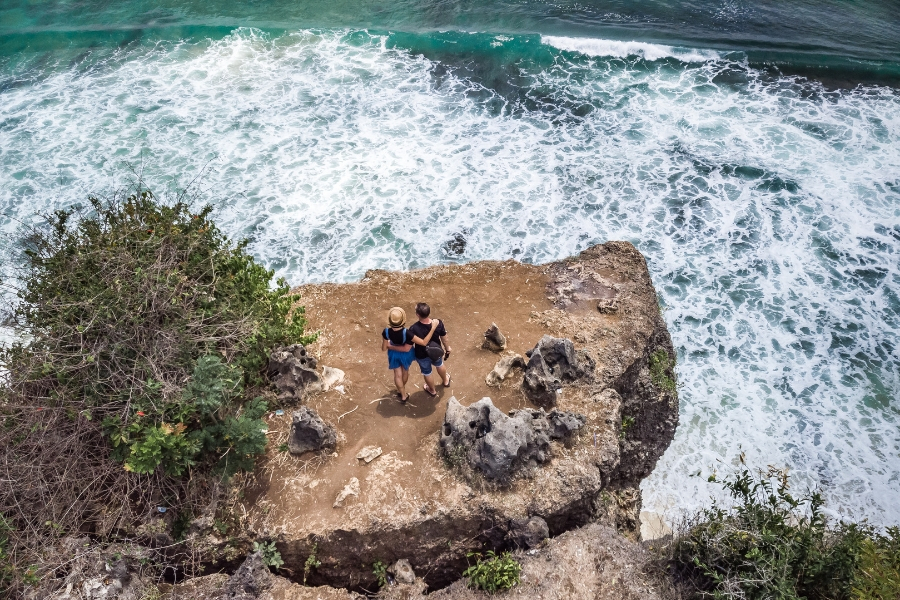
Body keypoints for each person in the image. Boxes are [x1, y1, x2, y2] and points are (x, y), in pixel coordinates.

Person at [407, 302, 451, 397]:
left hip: (422, 355)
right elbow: (444, 337)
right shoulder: (438, 323)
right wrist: (447, 348)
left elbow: (409, 345)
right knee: (440, 365)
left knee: (427, 372)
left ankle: (432, 390)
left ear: (418, 315)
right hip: (436, 351)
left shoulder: (413, 328)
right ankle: (446, 380)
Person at [382, 307, 416, 403]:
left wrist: (388, 344)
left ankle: (403, 395)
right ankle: (402, 388)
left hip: (394, 355)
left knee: (397, 375)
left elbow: (384, 348)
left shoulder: (386, 332)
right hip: (406, 354)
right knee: (405, 371)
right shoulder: (408, 333)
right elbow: (408, 347)